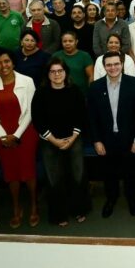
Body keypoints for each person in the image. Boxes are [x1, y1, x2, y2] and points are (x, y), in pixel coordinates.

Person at [0, 49, 40, 229]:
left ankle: (34, 206)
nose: (3, 66)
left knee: (28, 171)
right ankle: (16, 207)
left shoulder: (27, 81)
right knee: (11, 173)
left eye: (6, 61)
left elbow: (31, 110)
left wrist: (16, 135)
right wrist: (3, 136)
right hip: (1, 136)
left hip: (25, 133)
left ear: (13, 62)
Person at [31, 59, 91, 226]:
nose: (57, 74)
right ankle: (60, 214)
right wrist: (54, 140)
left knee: (77, 175)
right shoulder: (41, 93)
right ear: (48, 74)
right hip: (50, 140)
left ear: (66, 72)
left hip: (74, 138)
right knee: (54, 178)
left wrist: (72, 138)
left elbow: (82, 115)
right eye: (53, 71)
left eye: (60, 71)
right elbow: (38, 120)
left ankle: (79, 209)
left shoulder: (75, 91)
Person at [88, 51, 135, 217]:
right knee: (109, 173)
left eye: (116, 64)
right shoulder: (95, 87)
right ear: (104, 66)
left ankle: (131, 198)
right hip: (106, 140)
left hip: (130, 139)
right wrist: (96, 141)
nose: (113, 67)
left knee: (131, 172)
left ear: (122, 64)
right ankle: (111, 199)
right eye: (109, 65)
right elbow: (92, 117)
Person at [53, 31, 94, 97]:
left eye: (70, 41)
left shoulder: (85, 56)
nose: (67, 43)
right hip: (60, 93)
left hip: (81, 94)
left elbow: (91, 77)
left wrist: (90, 93)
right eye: (64, 41)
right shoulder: (56, 56)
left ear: (76, 42)